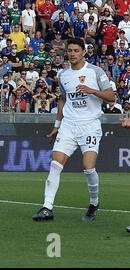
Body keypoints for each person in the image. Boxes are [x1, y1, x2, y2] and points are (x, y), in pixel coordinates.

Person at [32, 38, 115, 222]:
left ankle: (94, 203)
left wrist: (92, 91)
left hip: (90, 125)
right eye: (69, 50)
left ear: (83, 52)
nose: (72, 54)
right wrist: (56, 126)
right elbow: (63, 99)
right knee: (55, 164)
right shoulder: (63, 75)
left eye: (76, 50)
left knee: (88, 167)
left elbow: (111, 97)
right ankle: (47, 207)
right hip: (69, 125)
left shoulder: (95, 71)